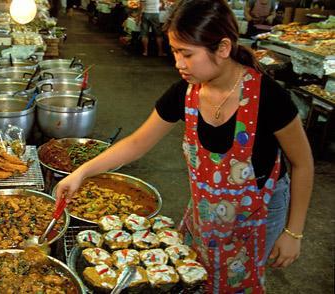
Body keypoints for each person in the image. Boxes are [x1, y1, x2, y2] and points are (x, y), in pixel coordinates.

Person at [55, 0, 314, 292]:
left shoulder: (267, 97)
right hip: (205, 211)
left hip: (257, 217)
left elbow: (303, 163)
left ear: (223, 48)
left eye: (186, 54)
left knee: (236, 284)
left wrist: (294, 232)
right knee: (195, 276)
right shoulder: (185, 93)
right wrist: (82, 173)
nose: (178, 63)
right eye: (175, 51)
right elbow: (137, 143)